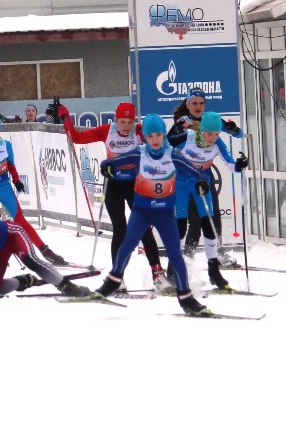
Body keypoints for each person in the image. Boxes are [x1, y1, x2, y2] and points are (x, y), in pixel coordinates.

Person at [92, 114, 212, 315]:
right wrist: (107, 166)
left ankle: (186, 298)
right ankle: (112, 282)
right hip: (142, 211)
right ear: (144, 137)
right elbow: (115, 162)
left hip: (164, 213)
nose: (154, 140)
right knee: (128, 244)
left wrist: (200, 181)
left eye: (158, 135)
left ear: (163, 135)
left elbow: (194, 171)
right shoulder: (139, 153)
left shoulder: (172, 154)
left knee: (175, 254)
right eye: (150, 136)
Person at [59, 101, 165, 284]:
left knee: (144, 229)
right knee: (120, 229)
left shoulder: (140, 131)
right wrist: (66, 118)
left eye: (130, 122)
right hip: (113, 185)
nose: (126, 127)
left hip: (136, 186)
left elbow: (161, 141)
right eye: (122, 122)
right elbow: (76, 138)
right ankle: (118, 276)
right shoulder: (107, 130)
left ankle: (157, 273)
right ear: (116, 120)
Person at [0, 115, 67, 265]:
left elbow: (10, 164)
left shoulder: (6, 145)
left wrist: (16, 180)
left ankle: (45, 251)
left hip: (4, 186)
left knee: (20, 221)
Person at [171, 111, 246, 292]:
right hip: (181, 184)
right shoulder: (187, 138)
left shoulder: (217, 143)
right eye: (209, 133)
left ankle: (214, 271)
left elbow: (230, 164)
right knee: (180, 226)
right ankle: (172, 270)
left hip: (201, 185)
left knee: (209, 224)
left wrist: (239, 164)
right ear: (200, 131)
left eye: (216, 134)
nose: (212, 138)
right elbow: (166, 150)